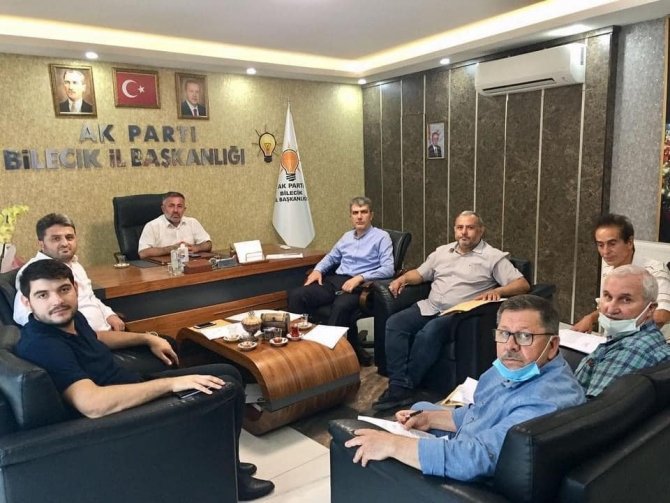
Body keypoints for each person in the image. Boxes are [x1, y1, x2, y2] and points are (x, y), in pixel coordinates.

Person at [15, 259, 274, 500]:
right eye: (43, 295)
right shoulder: (43, 344)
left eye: (63, 290)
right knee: (226, 389)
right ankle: (231, 481)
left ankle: (228, 461)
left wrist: (147, 338)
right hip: (120, 417)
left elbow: (97, 337)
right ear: (27, 302)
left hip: (131, 385)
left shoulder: (70, 319)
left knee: (227, 372)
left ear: (75, 288)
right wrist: (171, 384)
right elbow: (92, 405)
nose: (57, 300)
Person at [346, 295, 585, 481]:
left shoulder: (544, 402)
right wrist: (428, 418)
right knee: (420, 409)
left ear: (552, 345)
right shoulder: (514, 367)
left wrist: (392, 444)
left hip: (473, 470)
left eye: (524, 336)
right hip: (476, 439)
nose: (510, 346)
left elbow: (475, 458)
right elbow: (480, 412)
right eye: (504, 334)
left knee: (377, 444)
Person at [373, 211, 530, 410]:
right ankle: (398, 385)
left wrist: (497, 291)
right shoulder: (442, 252)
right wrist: (402, 279)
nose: (464, 232)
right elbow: (420, 274)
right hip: (430, 306)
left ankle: (405, 387)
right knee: (395, 324)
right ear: (455, 230)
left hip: (459, 314)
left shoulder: (492, 257)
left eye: (470, 228)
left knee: (428, 333)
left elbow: (522, 284)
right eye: (460, 227)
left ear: (480, 231)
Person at [287, 196, 393, 366]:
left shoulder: (382, 237)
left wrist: (360, 277)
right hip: (337, 281)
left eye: (364, 212)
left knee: (340, 306)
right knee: (297, 295)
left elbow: (388, 268)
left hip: (363, 287)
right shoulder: (346, 237)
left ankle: (329, 359)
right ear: (350, 216)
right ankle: (301, 350)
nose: (359, 216)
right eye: (355, 213)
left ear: (371, 215)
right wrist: (318, 270)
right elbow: (331, 257)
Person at [13, 213, 126, 332]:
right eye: (56, 239)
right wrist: (67, 335)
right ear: (41, 244)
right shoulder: (33, 272)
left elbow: (89, 297)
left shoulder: (75, 264)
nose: (65, 243)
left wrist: (109, 314)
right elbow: (22, 315)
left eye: (69, 237)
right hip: (80, 339)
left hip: (105, 332)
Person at [575, 265, 670, 397]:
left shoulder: (633, 351)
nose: (611, 309)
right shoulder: (642, 338)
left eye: (626, 300)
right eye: (608, 296)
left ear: (650, 309)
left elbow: (594, 407)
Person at [572, 213, 670, 334]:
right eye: (601, 245)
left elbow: (661, 315)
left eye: (612, 244)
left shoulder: (655, 270)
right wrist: (591, 318)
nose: (605, 252)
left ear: (629, 242)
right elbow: (611, 307)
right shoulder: (609, 269)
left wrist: (623, 328)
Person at [138, 191, 212, 259]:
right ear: (163, 209)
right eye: (171, 206)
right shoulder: (152, 226)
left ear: (184, 209)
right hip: (162, 266)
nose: (176, 210)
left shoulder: (192, 222)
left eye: (179, 206)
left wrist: (196, 248)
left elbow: (208, 244)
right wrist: (172, 248)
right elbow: (143, 253)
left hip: (189, 265)